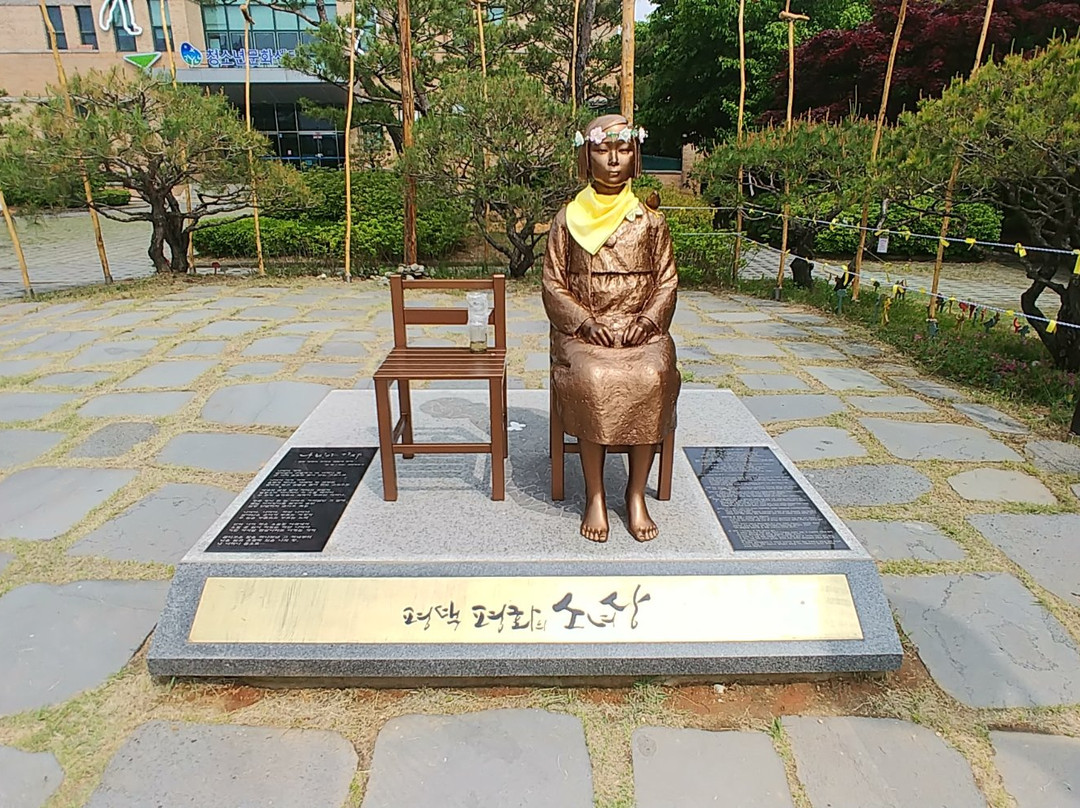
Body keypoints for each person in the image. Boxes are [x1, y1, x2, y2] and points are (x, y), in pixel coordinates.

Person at [542, 113, 681, 543]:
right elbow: (552, 282)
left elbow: (667, 280)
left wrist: (646, 320)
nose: (614, 160)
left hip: (641, 331)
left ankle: (635, 493)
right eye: (604, 150)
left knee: (651, 375)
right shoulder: (567, 219)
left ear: (635, 156)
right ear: (587, 155)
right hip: (585, 333)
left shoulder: (650, 221)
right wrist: (583, 321)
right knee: (594, 378)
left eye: (623, 150)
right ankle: (596, 494)